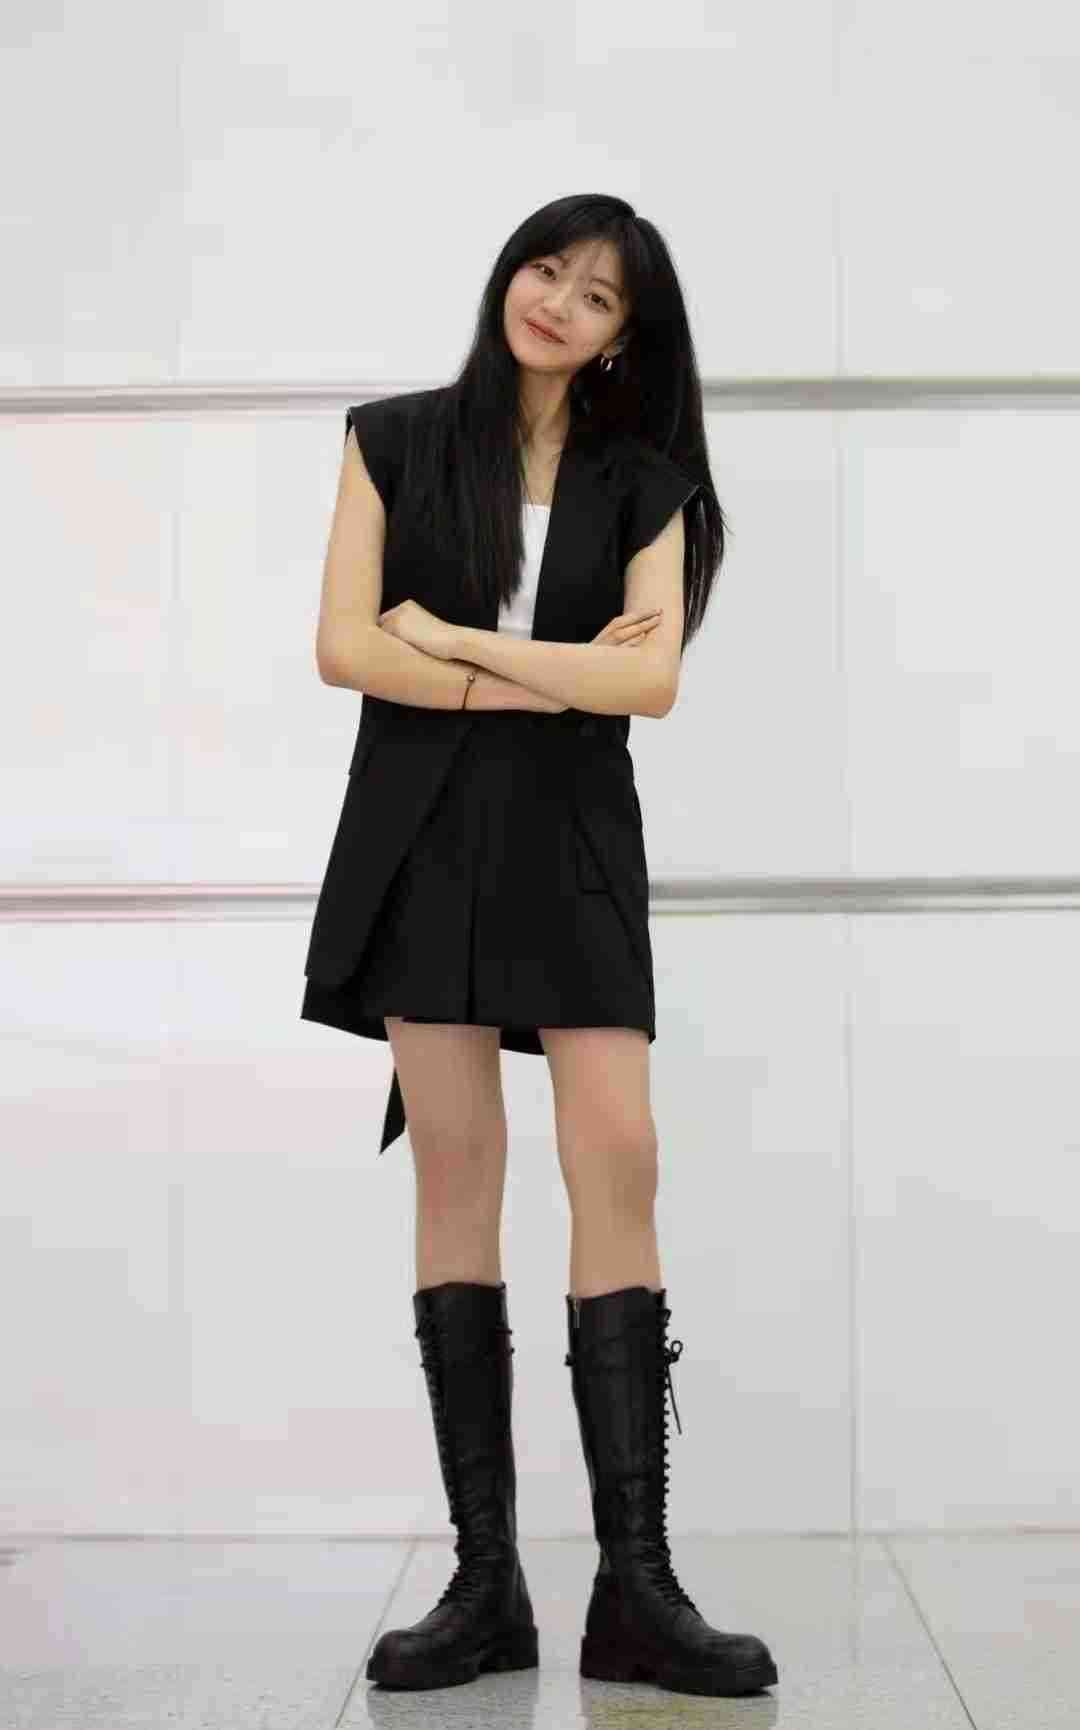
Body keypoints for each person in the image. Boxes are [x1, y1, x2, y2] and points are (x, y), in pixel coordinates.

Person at [300, 194, 779, 1699]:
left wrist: (456, 641)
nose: (558, 301)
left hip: (573, 838)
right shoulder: (392, 439)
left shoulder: (647, 483)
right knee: (458, 1166)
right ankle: (485, 1581)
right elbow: (343, 644)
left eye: (599, 295)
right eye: (548, 268)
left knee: (617, 1149)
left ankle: (636, 1585)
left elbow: (649, 687)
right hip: (423, 830)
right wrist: (548, 675)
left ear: (626, 338)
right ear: (512, 271)